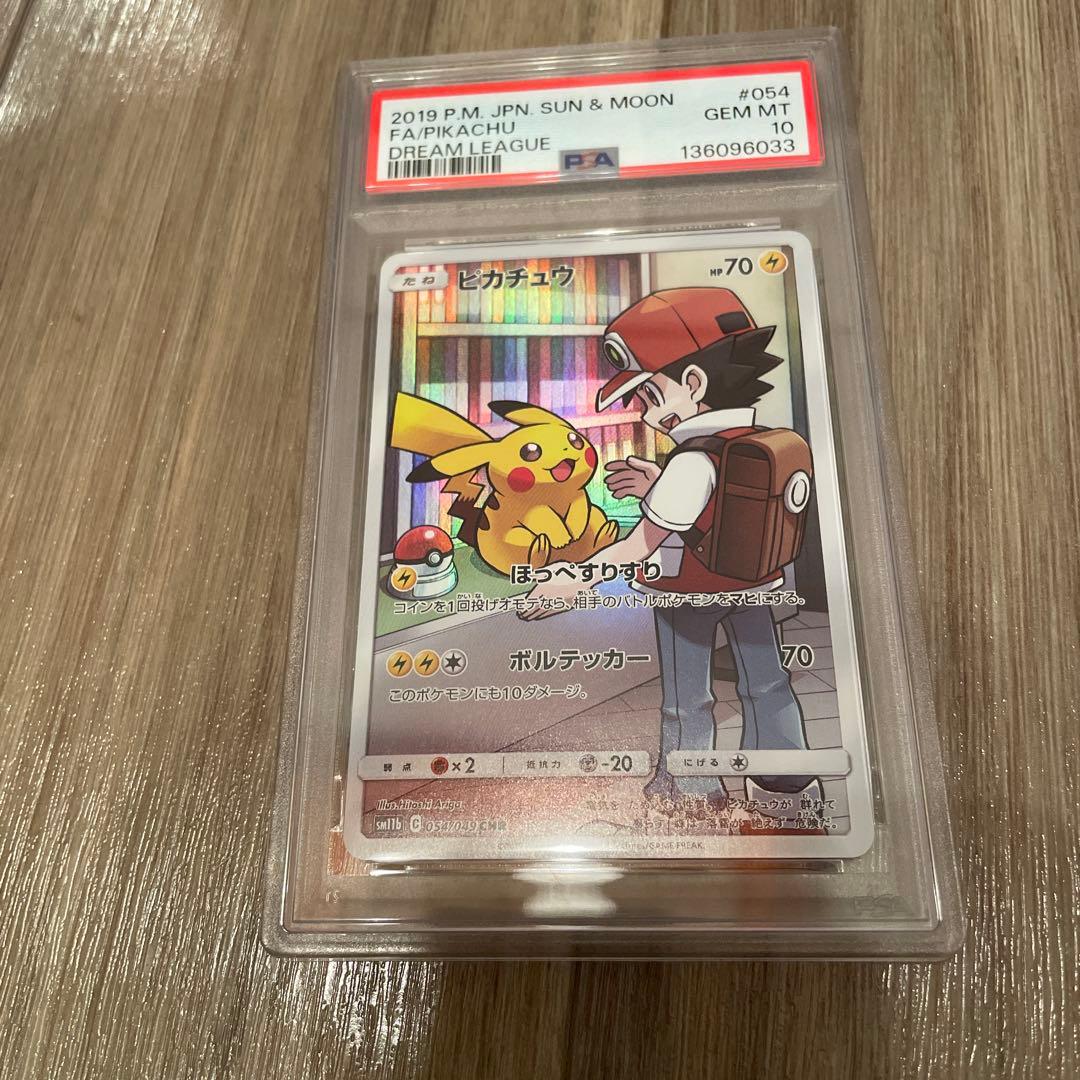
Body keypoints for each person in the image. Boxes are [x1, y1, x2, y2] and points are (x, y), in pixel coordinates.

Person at [521, 287, 820, 809]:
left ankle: (690, 795)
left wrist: (574, 577)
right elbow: (718, 506)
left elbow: (642, 542)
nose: (646, 416)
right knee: (767, 683)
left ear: (695, 383)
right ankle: (786, 787)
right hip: (752, 585)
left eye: (651, 397)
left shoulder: (690, 461)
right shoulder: (750, 439)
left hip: (686, 596)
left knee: (688, 700)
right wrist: (658, 485)